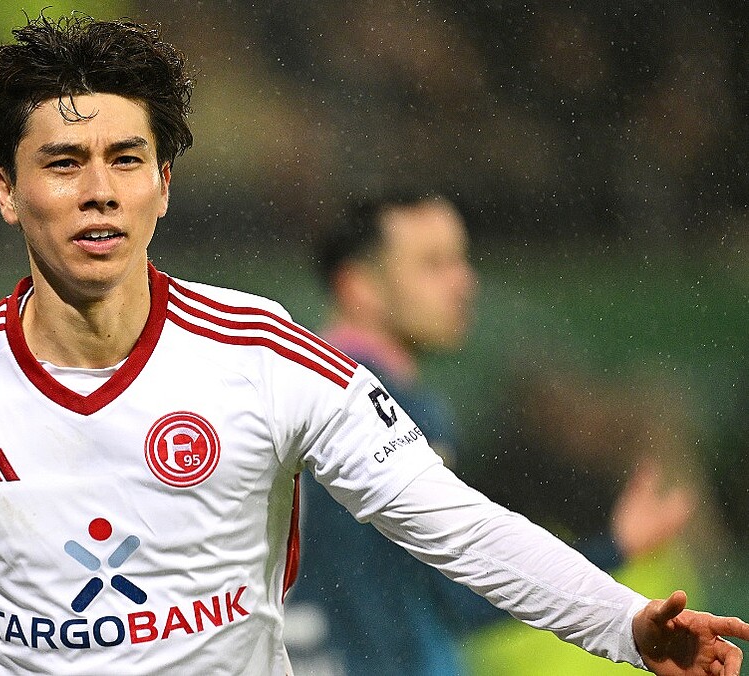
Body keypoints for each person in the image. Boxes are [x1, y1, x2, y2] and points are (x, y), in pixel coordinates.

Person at [0, 15, 749, 676]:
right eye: (62, 164)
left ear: (164, 182)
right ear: (6, 190)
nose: (97, 192)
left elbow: (449, 524)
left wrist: (621, 624)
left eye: (125, 160)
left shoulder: (264, 356)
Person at [286, 194, 697, 674]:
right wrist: (614, 549)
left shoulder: (295, 393)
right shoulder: (391, 410)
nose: (464, 281)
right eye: (433, 264)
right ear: (359, 287)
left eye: (460, 260)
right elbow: (462, 593)